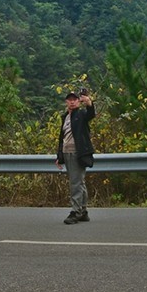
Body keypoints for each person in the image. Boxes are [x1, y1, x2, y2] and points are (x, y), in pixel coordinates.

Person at [55, 89, 95, 224]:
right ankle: (83, 211)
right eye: (69, 99)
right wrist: (59, 156)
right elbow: (62, 138)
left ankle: (76, 212)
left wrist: (89, 102)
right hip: (67, 153)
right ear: (66, 102)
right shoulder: (65, 116)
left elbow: (91, 114)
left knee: (75, 183)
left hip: (77, 152)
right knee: (79, 182)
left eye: (75, 99)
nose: (72, 102)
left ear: (78, 101)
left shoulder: (81, 114)